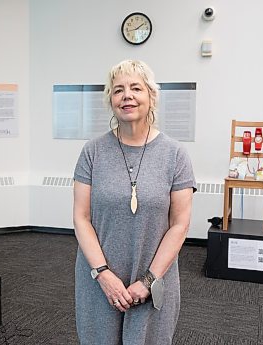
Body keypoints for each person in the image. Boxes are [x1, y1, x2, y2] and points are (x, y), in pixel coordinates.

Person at [73, 59, 196, 345]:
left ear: (151, 96)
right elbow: (81, 217)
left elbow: (179, 225)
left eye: (136, 88)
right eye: (118, 90)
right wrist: (103, 274)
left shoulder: (175, 155)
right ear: (111, 101)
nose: (126, 96)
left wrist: (149, 280)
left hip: (154, 275)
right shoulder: (92, 152)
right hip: (98, 277)